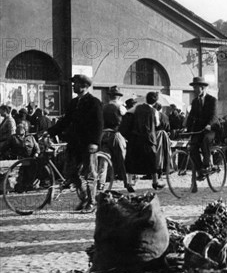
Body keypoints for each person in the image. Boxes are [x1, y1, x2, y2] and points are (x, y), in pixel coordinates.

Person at [47, 74, 103, 212]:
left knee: (90, 174)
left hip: (88, 144)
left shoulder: (94, 102)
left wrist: (95, 142)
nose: (73, 85)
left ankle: (92, 202)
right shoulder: (73, 103)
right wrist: (50, 132)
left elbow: (99, 124)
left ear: (84, 86)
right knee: (71, 173)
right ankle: (84, 197)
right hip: (74, 143)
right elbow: (65, 121)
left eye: (76, 83)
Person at [125, 92, 165, 190]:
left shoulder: (137, 107)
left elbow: (128, 113)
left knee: (132, 159)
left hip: (135, 137)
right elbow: (156, 124)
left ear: (146, 99)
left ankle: (129, 183)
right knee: (152, 159)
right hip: (148, 138)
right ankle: (155, 182)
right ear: (155, 102)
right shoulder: (154, 111)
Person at [100, 86, 133, 192]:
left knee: (104, 160)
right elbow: (125, 121)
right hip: (116, 134)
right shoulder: (121, 106)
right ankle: (126, 182)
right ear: (119, 97)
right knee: (122, 159)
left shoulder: (104, 107)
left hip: (104, 134)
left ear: (110, 96)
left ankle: (101, 183)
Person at [186, 76, 218, 175]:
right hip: (199, 130)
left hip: (211, 129)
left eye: (196, 88)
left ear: (202, 88)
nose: (194, 90)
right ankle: (201, 169)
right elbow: (191, 117)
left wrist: (209, 124)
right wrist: (186, 128)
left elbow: (214, 115)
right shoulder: (195, 101)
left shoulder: (212, 100)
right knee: (192, 146)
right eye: (194, 88)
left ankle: (207, 165)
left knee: (205, 141)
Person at [0, 123, 40, 192]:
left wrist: (36, 154)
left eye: (20, 133)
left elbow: (37, 148)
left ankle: (30, 185)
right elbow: (4, 148)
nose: (19, 135)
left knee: (31, 174)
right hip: (17, 160)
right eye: (17, 132)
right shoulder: (12, 138)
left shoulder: (30, 137)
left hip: (30, 159)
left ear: (24, 130)